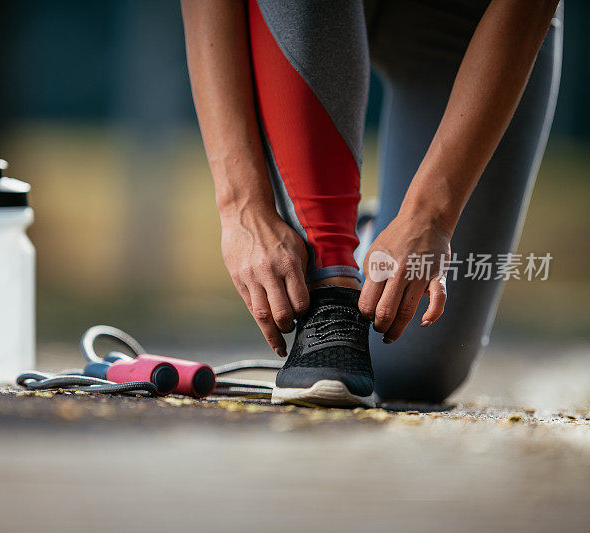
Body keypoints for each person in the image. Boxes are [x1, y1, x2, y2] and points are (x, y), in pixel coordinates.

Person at [180, 0, 562, 406]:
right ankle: (334, 276)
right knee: (345, 358)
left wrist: (430, 219)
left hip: (471, 16)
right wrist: (242, 205)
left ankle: (367, 238)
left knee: (413, 368)